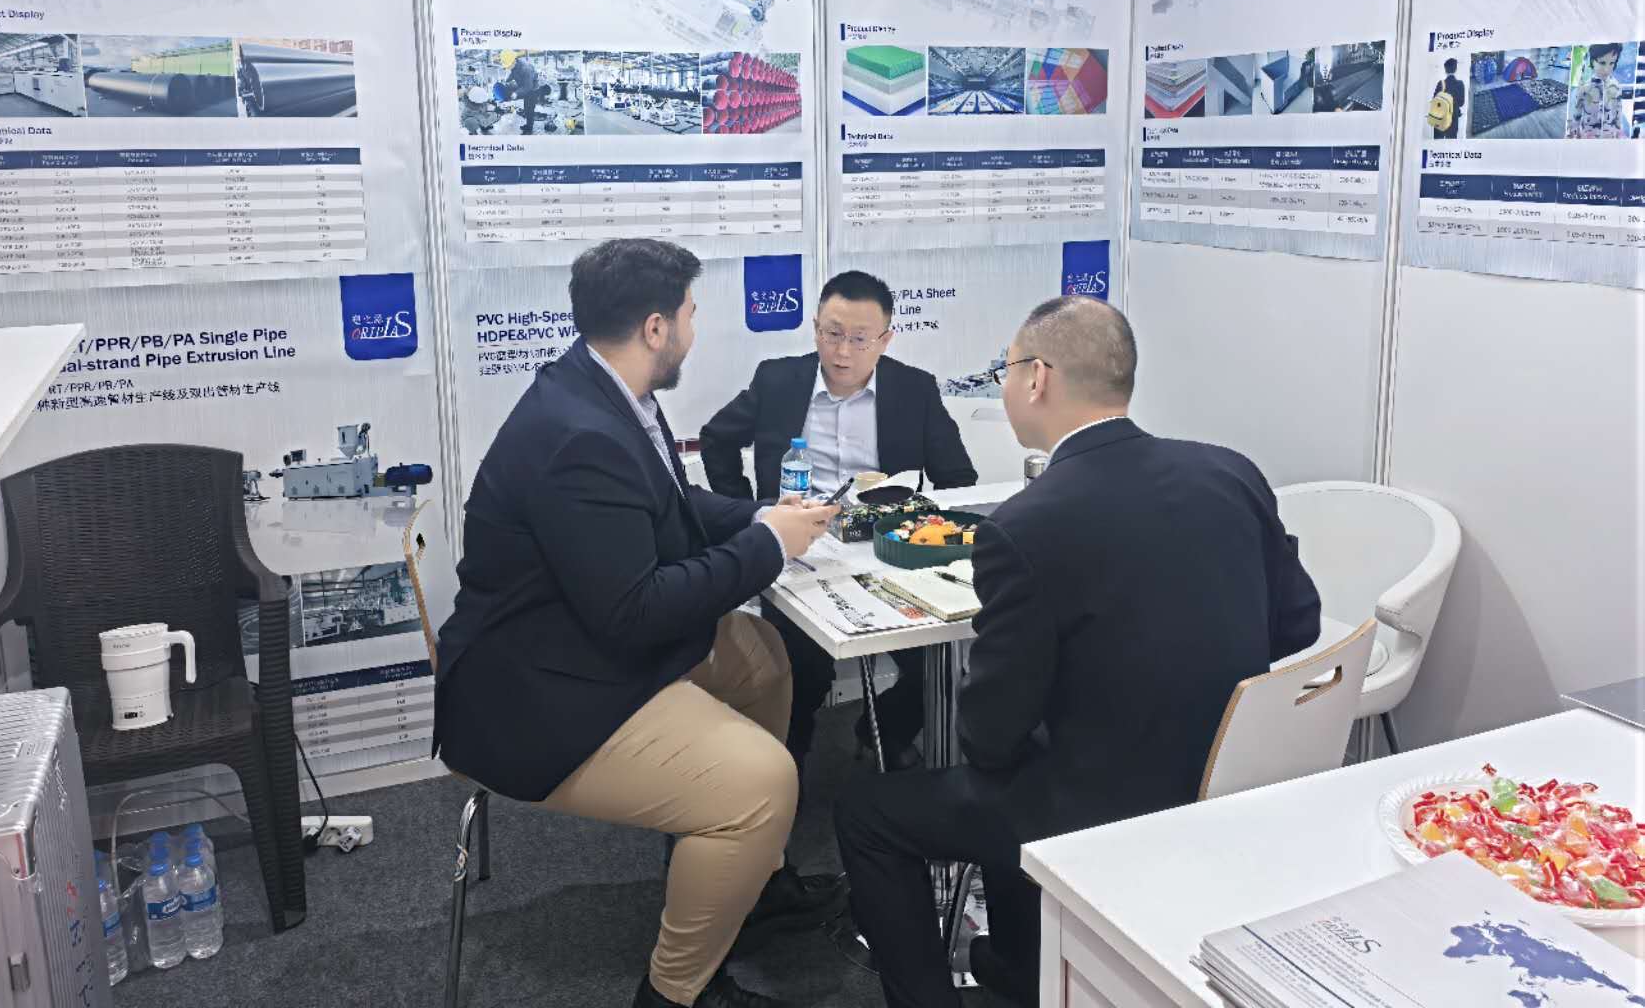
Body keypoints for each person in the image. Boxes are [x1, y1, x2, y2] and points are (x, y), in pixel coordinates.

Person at [834, 296, 1322, 1008]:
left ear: (1037, 378)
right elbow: (1298, 625)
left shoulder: (1025, 526)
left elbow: (988, 739)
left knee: (866, 810)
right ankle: (1018, 965)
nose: (1004, 385)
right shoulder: (1231, 472)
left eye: (1004, 370)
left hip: (1095, 807)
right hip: (1232, 773)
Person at [434, 238, 846, 1008]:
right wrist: (768, 546)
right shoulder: (579, 435)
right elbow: (635, 612)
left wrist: (764, 516)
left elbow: (670, 507)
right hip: (530, 694)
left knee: (760, 653)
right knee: (762, 785)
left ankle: (752, 883)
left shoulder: (604, 390)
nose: (695, 327)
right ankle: (673, 993)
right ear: (656, 328)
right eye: (689, 312)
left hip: (571, 644)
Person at [700, 270, 977, 774]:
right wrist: (750, 513)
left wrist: (916, 524)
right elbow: (717, 439)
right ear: (815, 329)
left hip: (889, 551)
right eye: (832, 334)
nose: (842, 352)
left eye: (859, 339)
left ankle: (883, 729)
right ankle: (788, 774)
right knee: (800, 670)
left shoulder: (914, 389)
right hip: (797, 553)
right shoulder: (778, 380)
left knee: (937, 658)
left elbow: (959, 479)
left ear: (885, 340)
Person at [1568, 42, 1626, 138]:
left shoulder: (1617, 87)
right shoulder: (1584, 88)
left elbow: (1618, 113)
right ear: (1592, 61)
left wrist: (1619, 134)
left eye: (1612, 63)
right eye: (1602, 63)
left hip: (1609, 137)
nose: (1607, 69)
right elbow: (1576, 115)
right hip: (1587, 137)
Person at [1430, 57, 1465, 139]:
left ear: (1445, 70)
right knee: (1451, 143)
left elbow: (1434, 100)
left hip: (1439, 119)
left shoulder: (1441, 83)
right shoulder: (1460, 84)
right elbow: (1461, 103)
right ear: (1456, 69)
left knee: (1438, 143)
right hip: (1453, 120)